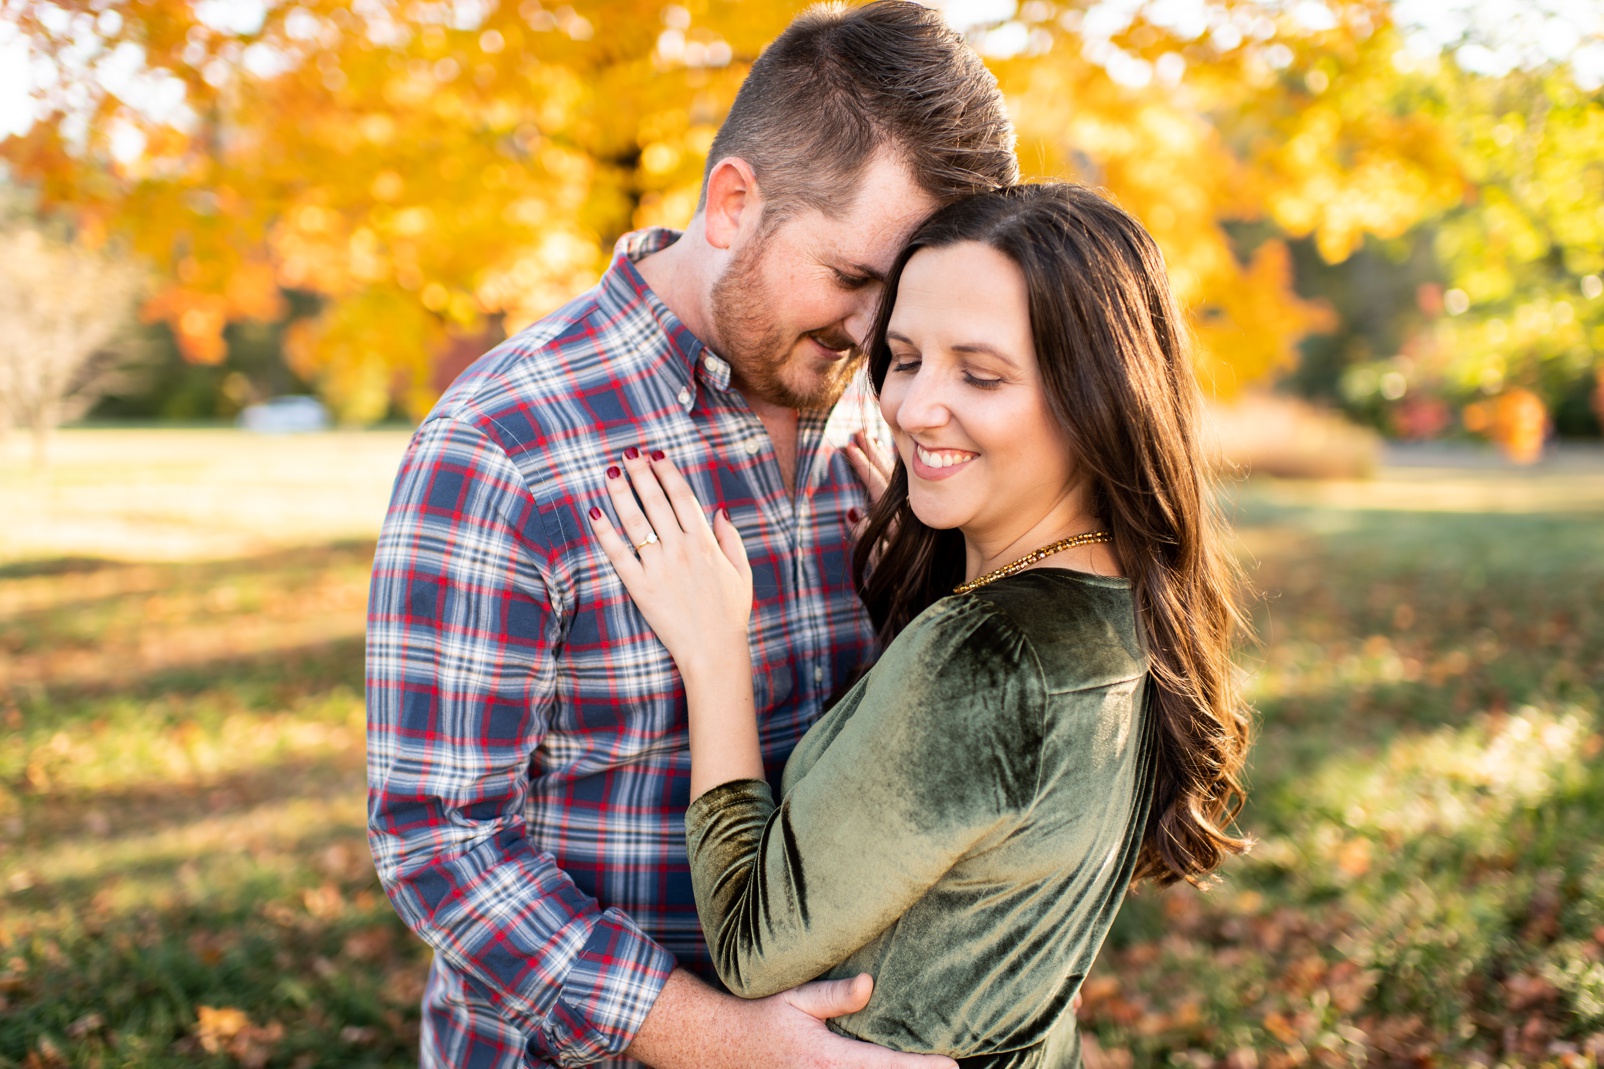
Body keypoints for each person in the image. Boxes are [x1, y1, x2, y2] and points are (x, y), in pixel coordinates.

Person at [364, 4, 1018, 1068]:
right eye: (853, 279)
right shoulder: (505, 447)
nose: (872, 335)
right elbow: (438, 842)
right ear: (730, 202)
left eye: (896, 296)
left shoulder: (885, 407)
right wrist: (724, 1039)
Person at [588, 183, 1254, 1067]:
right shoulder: (1126, 604)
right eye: (903, 359)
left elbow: (752, 943)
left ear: (1096, 396)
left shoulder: (988, 656)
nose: (912, 408)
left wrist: (715, 654)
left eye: (980, 374)